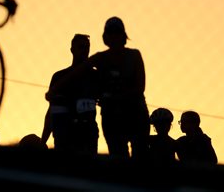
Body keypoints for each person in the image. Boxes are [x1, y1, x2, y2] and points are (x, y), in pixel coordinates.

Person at [47, 17, 150, 160]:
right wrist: (54, 90)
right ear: (105, 37)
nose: (114, 36)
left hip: (134, 115)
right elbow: (75, 73)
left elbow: (140, 88)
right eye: (111, 32)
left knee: (140, 158)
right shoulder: (100, 59)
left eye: (117, 32)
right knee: (119, 158)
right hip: (112, 118)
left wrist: (112, 98)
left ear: (123, 36)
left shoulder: (134, 56)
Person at [42, 34, 99, 156]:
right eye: (81, 47)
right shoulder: (59, 77)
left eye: (87, 47)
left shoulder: (95, 77)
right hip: (64, 133)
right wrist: (43, 141)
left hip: (87, 134)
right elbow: (51, 110)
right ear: (72, 50)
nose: (84, 50)